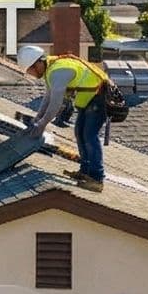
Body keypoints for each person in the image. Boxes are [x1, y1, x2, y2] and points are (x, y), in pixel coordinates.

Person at [18, 45, 107, 192]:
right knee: (80, 133)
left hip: (99, 97)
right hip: (90, 99)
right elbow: (48, 96)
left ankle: (97, 179)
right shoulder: (51, 68)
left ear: (37, 63)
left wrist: (42, 124)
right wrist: (38, 117)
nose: (31, 74)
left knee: (89, 135)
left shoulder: (58, 72)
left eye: (30, 71)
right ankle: (85, 172)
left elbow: (56, 103)